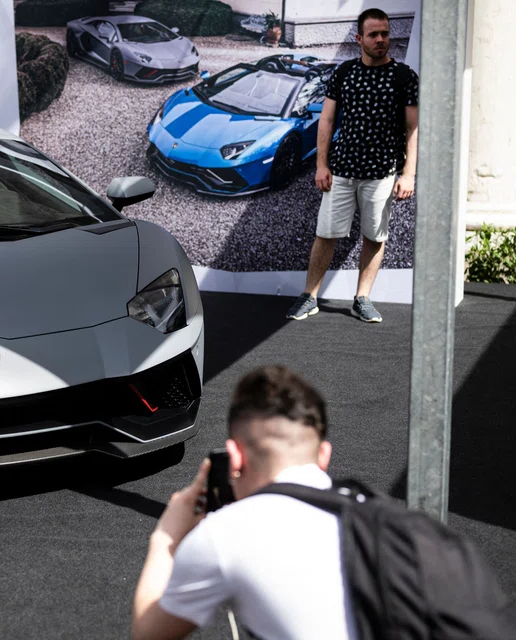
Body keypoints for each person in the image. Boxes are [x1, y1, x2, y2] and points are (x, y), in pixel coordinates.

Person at [131, 365, 356, 640]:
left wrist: (167, 537)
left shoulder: (224, 535)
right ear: (324, 455)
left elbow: (148, 634)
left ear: (235, 457)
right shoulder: (370, 513)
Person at [286, 8, 419, 324]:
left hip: (383, 173)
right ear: (359, 38)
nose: (381, 40)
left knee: (375, 236)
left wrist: (409, 173)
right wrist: (322, 165)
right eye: (373, 34)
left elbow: (413, 128)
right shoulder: (344, 73)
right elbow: (327, 121)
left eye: (385, 33)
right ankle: (310, 296)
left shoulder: (404, 77)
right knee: (325, 234)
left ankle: (362, 298)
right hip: (342, 171)